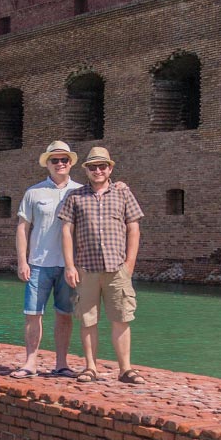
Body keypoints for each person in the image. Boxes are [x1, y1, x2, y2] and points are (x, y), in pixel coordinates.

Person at [59, 146, 143, 384]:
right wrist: (69, 265)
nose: (98, 170)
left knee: (122, 318)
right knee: (87, 320)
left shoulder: (123, 193)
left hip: (117, 267)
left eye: (102, 166)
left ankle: (125, 369)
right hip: (86, 267)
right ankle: (90, 368)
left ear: (110, 168)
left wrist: (130, 264)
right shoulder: (75, 196)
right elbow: (67, 231)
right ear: (86, 170)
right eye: (93, 167)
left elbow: (133, 228)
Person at [10, 140, 82, 379]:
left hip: (69, 265)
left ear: (70, 163)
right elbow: (23, 228)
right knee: (33, 314)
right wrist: (22, 261)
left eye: (64, 160)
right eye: (55, 160)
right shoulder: (33, 192)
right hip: (39, 262)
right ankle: (30, 362)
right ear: (47, 164)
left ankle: (61, 363)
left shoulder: (81, 191)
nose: (60, 163)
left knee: (65, 314)